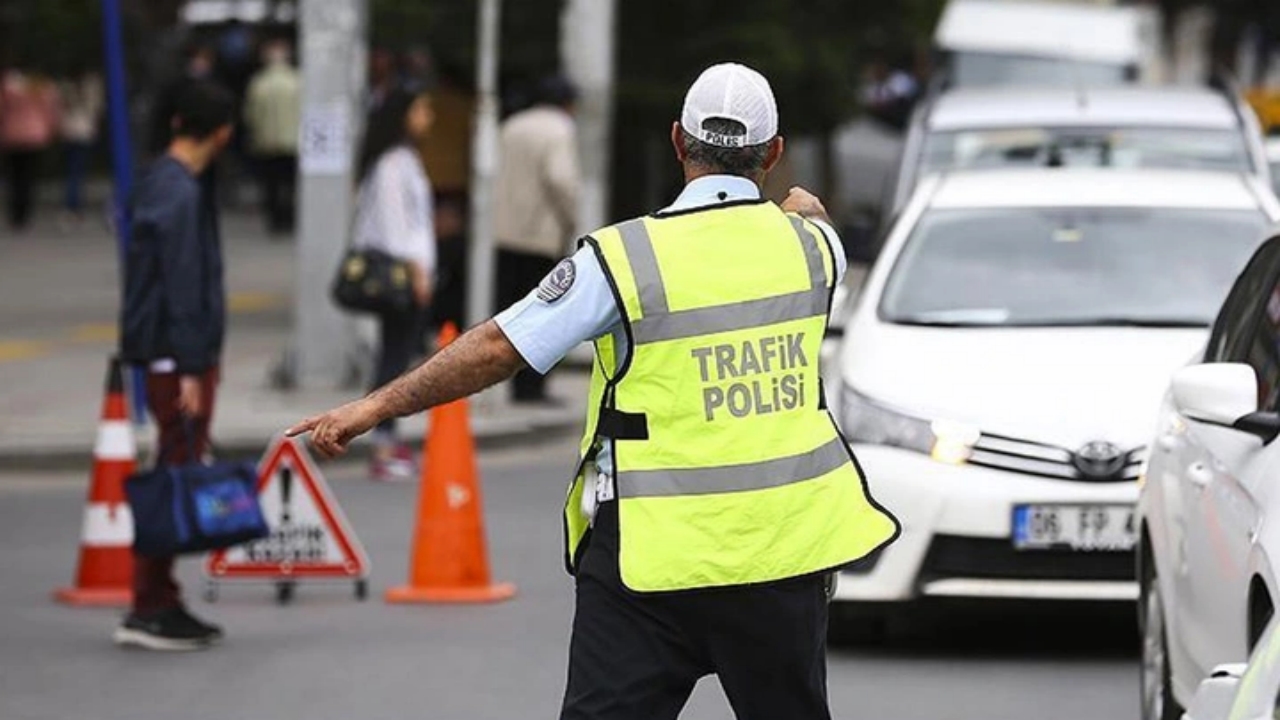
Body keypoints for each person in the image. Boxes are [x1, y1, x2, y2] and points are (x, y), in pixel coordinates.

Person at [288, 63, 900, 718]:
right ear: (774, 153)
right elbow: (795, 220)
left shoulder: (622, 260)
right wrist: (795, 209)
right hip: (780, 557)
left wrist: (375, 405)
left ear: (676, 141)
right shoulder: (815, 249)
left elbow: (499, 347)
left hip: (648, 560)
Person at [117, 80, 236, 651]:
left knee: (174, 465)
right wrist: (193, 367)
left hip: (167, 352)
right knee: (173, 473)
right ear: (222, 133)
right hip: (176, 358)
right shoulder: (181, 193)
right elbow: (183, 286)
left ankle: (159, 597)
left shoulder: (157, 181)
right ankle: (150, 604)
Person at [350, 90, 437, 481]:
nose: (428, 116)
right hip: (400, 276)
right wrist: (417, 272)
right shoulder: (392, 163)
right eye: (421, 108)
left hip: (409, 272)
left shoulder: (403, 158)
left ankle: (386, 437)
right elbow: (394, 227)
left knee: (397, 353)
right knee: (394, 357)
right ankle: (382, 441)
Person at [492, 74, 580, 404]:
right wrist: (570, 218)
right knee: (545, 313)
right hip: (540, 234)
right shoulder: (559, 129)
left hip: (504, 231)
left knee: (511, 311)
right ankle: (532, 387)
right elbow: (560, 178)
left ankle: (513, 383)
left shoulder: (511, 125)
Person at [243, 39, 300, 235]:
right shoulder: (297, 81)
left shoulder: (259, 83)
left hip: (267, 142)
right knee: (290, 183)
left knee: (271, 184)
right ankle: (289, 217)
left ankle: (276, 219)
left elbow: (251, 114)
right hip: (293, 141)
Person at [0, 64, 59, 231]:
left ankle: (15, 214)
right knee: (29, 177)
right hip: (34, 135)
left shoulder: (7, 87)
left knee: (14, 177)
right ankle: (25, 213)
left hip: (12, 135)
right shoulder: (42, 87)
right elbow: (50, 110)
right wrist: (50, 128)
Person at [57, 66, 104, 227]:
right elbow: (96, 108)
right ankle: (73, 206)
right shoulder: (91, 86)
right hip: (84, 130)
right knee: (78, 171)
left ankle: (72, 206)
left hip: (70, 130)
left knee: (73, 170)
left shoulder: (65, 87)